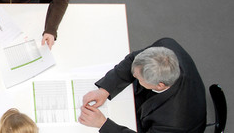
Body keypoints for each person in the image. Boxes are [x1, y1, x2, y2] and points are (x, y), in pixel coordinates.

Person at [78, 38, 206, 132]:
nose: (133, 75)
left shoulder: (174, 121)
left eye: (138, 78)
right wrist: (104, 90)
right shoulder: (165, 48)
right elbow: (133, 60)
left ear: (160, 85)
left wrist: (103, 124)